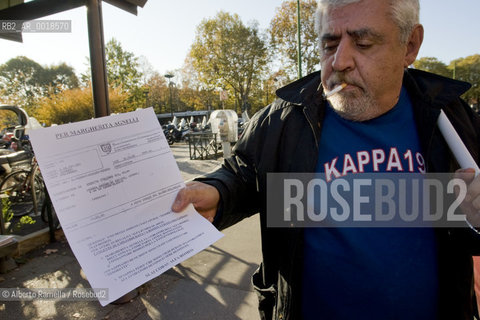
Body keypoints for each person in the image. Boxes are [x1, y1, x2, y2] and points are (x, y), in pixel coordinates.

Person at [172, 0, 480, 319]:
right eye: (329, 44)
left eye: (363, 43)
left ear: (410, 45)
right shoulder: (283, 120)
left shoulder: (451, 120)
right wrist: (217, 192)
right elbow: (243, 175)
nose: (340, 61)